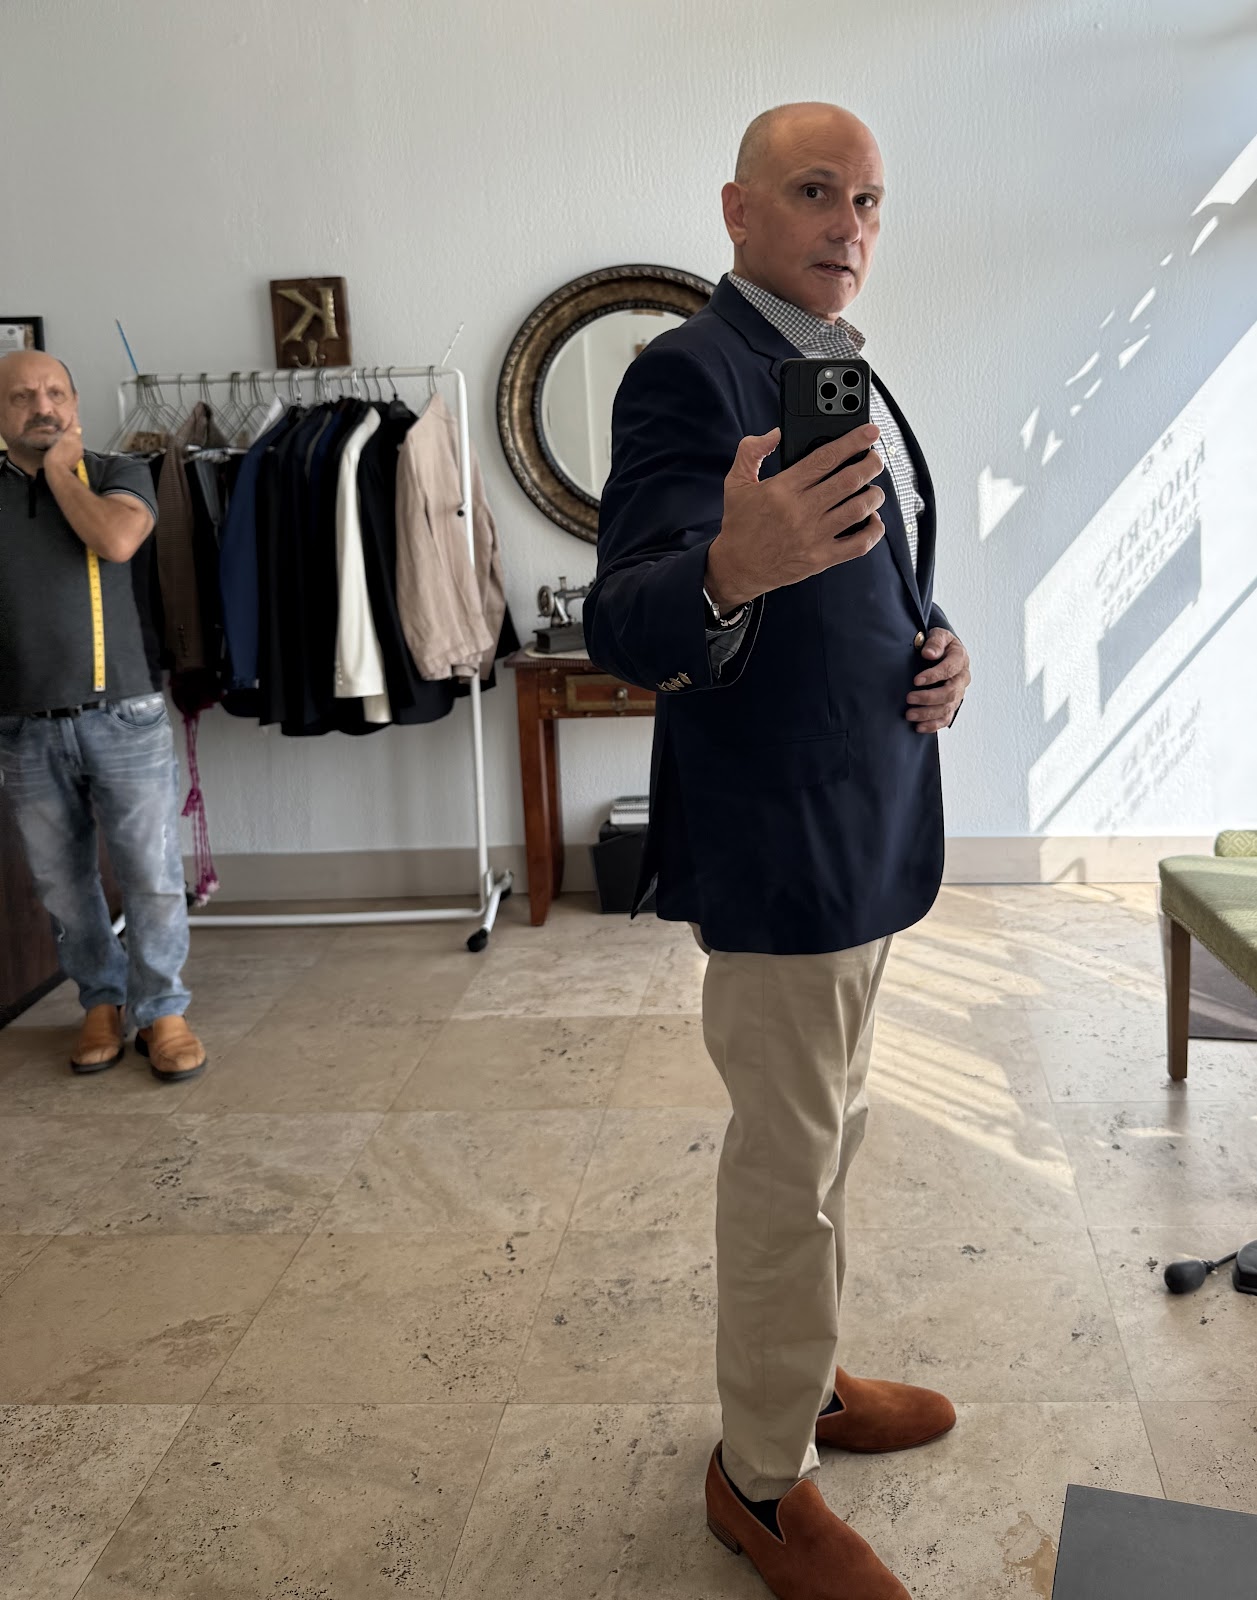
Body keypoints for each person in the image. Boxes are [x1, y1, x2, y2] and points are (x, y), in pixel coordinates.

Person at [585, 104, 972, 1598]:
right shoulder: (691, 370)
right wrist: (726, 567)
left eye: (869, 200)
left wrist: (937, 647)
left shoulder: (834, 363)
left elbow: (874, 574)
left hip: (869, 814)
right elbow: (628, 614)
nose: (850, 225)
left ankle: (802, 1381)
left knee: (835, 1132)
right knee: (788, 1163)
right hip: (781, 835)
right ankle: (759, 1478)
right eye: (817, 192)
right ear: (738, 211)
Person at [0, 350, 207, 1082]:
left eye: (56, 392)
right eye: (22, 396)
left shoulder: (119, 472)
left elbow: (116, 540)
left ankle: (163, 1010)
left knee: (150, 872)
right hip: (22, 722)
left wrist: (60, 471)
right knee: (61, 883)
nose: (43, 406)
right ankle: (101, 1000)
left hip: (124, 713)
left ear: (76, 402)